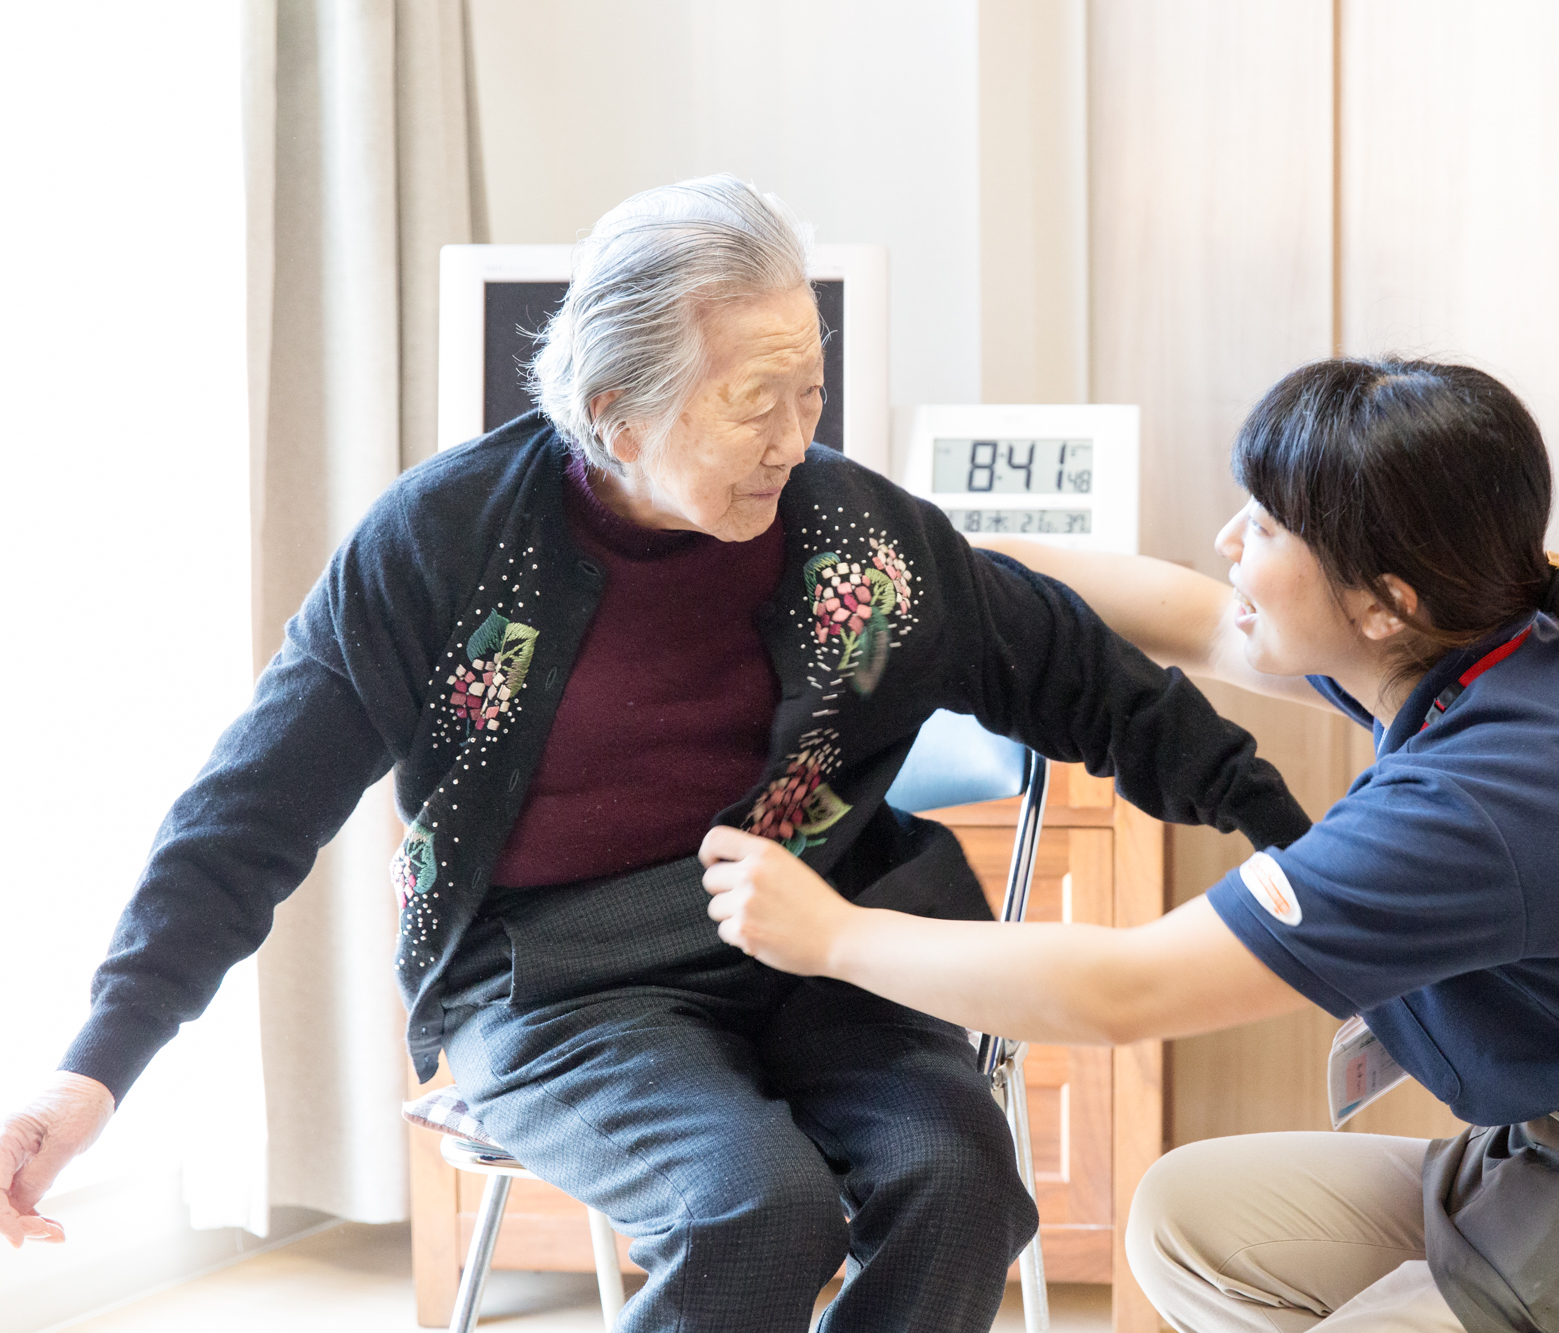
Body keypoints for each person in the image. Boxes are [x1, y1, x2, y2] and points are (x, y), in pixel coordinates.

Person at [0, 177, 1314, 1333]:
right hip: (559, 981)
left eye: (812, 390)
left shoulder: (859, 534)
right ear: (613, 411)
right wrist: (96, 1064)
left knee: (960, 1184)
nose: (797, 439)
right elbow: (247, 816)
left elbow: (1084, 677)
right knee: (757, 1208)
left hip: (816, 938)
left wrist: (1311, 853)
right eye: (755, 404)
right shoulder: (441, 547)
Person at [700, 357, 1559, 1333]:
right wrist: (927, 566)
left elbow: (1126, 988)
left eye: (1269, 526)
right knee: (1188, 1217)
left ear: (1383, 599)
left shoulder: (1479, 801)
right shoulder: (1485, 649)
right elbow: (1190, 612)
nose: (1232, 539)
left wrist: (836, 934)